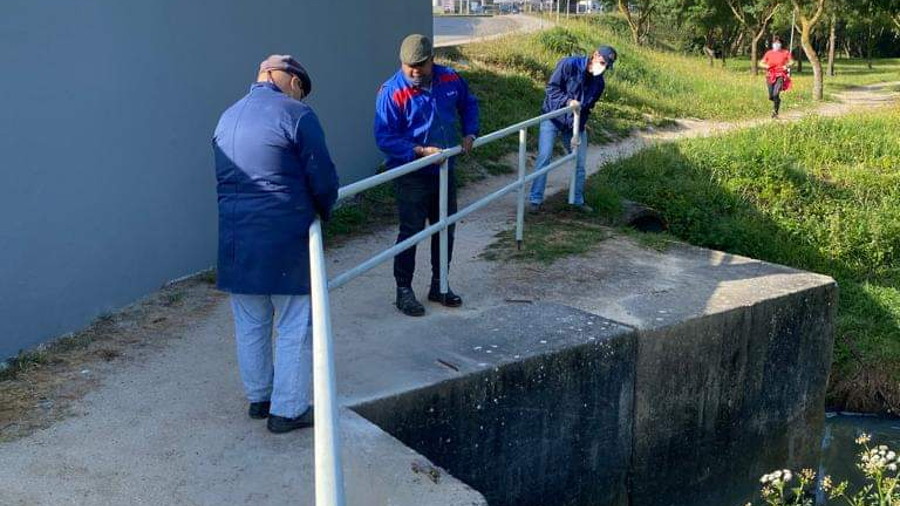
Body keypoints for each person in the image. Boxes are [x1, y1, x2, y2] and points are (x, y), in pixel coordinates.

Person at [213, 55, 339, 433]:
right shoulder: (295, 115)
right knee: (294, 325)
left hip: (236, 239)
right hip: (284, 236)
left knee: (250, 323)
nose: (301, 96)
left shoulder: (227, 117)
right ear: (288, 80)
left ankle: (260, 398)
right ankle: (288, 410)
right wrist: (323, 212)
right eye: (300, 88)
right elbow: (323, 177)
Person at [374, 34, 479, 317]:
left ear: (432, 60)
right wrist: (418, 150)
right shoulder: (392, 92)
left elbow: (469, 103)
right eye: (409, 66)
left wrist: (470, 131)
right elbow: (385, 137)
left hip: (444, 168)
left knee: (445, 226)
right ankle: (403, 290)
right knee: (411, 231)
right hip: (412, 173)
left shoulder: (450, 79)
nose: (414, 71)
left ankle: (439, 284)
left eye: (420, 65)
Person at [529, 46, 617, 213]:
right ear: (595, 55)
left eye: (607, 66)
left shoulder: (599, 83)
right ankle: (535, 199)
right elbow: (552, 89)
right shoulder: (569, 64)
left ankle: (577, 200)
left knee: (580, 162)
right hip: (552, 117)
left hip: (574, 125)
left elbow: (587, 108)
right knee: (544, 156)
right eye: (603, 62)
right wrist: (568, 101)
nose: (603, 68)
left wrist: (579, 129)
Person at [760, 35, 793, 118]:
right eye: (775, 43)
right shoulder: (769, 53)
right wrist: (766, 66)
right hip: (770, 75)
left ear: (781, 44)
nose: (776, 44)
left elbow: (792, 62)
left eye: (778, 43)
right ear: (772, 44)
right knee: (771, 95)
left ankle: (775, 112)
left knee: (775, 93)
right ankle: (777, 101)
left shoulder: (785, 52)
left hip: (780, 75)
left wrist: (786, 66)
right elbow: (761, 63)